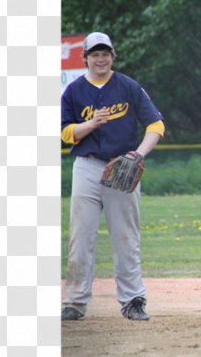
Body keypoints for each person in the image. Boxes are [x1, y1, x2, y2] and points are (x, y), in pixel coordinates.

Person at [60, 32, 165, 321]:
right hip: (87, 166)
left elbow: (156, 125)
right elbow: (66, 133)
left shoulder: (128, 86)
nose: (101, 58)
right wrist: (90, 124)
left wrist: (139, 154)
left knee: (125, 236)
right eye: (94, 53)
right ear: (85, 58)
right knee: (80, 236)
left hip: (122, 166)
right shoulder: (73, 91)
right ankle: (75, 301)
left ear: (113, 56)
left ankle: (133, 300)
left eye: (105, 53)